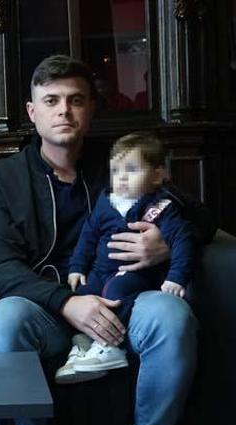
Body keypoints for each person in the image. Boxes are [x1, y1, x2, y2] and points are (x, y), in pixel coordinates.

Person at [0, 55, 214, 425]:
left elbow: (201, 218)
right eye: (51, 101)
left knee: (172, 315)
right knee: (4, 318)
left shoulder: (121, 161)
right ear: (32, 112)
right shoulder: (4, 178)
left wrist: (167, 245)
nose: (64, 111)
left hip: (127, 296)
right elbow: (0, 266)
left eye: (75, 100)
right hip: (47, 306)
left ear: (90, 109)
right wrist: (67, 303)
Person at [55, 132, 197, 383]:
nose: (121, 177)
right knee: (83, 295)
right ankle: (82, 346)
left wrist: (176, 278)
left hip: (134, 272)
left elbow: (182, 241)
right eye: (116, 170)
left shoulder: (161, 207)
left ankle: (111, 347)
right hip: (100, 271)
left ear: (157, 175)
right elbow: (88, 236)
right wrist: (77, 267)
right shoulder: (106, 202)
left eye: (131, 170)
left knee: (116, 293)